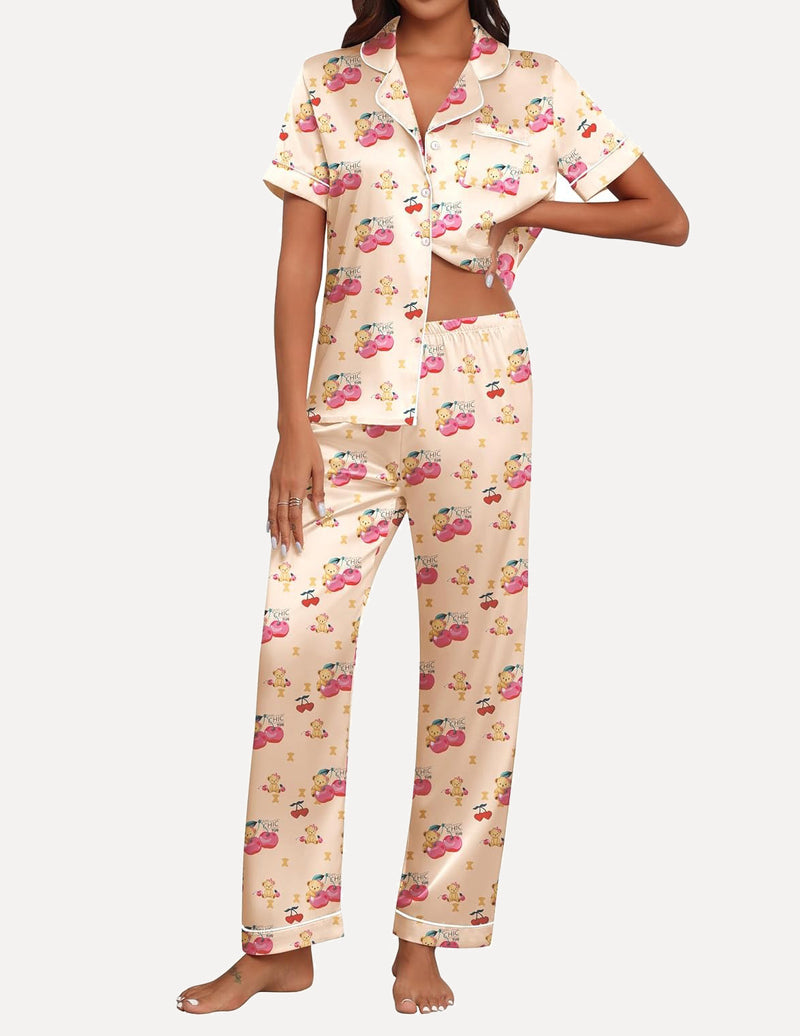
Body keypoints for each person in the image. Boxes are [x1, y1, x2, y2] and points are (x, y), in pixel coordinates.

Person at [176, 0, 688, 1017]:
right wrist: (289, 426)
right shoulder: (329, 81)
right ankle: (279, 941)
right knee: (296, 653)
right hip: (341, 403)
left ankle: (429, 934)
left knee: (475, 669)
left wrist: (534, 211)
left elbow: (664, 218)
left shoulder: (536, 82)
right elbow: (298, 261)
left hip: (480, 391)